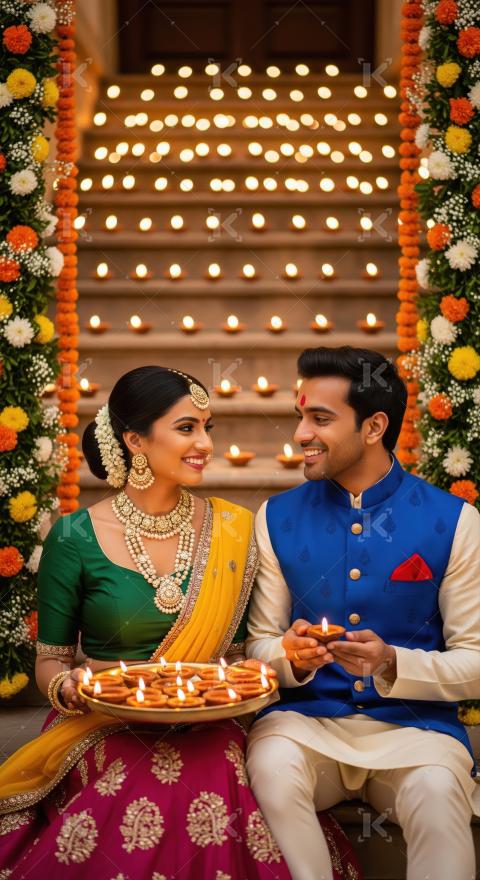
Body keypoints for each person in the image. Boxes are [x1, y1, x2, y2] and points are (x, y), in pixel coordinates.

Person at [0, 365, 361, 879]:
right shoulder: (74, 537)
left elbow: (240, 657)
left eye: (207, 428)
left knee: (211, 770)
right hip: (105, 721)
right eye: (186, 428)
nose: (205, 444)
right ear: (134, 440)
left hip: (210, 720)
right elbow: (51, 662)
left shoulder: (234, 528)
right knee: (137, 778)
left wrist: (286, 654)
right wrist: (70, 686)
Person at [246, 345, 480, 880]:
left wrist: (391, 662)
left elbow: (475, 661)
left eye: (320, 418)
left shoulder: (455, 521)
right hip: (303, 725)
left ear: (374, 426)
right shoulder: (275, 517)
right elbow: (258, 642)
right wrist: (292, 657)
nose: (301, 433)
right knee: (270, 770)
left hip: (418, 733)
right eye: (300, 416)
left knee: (441, 792)